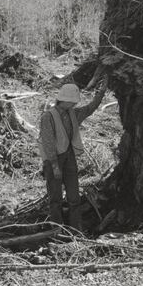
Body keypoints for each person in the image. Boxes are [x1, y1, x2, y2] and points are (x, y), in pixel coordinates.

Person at [38, 77, 108, 232]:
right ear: (65, 100)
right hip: (52, 160)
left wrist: (101, 94)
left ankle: (75, 230)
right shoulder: (48, 117)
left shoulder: (73, 114)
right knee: (55, 199)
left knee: (74, 198)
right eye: (73, 101)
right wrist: (55, 166)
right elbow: (48, 143)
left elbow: (90, 108)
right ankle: (57, 231)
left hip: (69, 157)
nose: (75, 104)